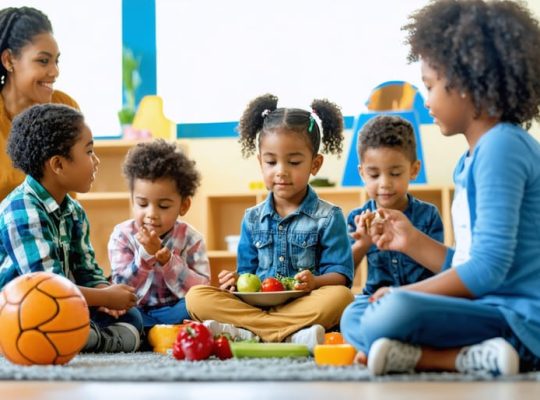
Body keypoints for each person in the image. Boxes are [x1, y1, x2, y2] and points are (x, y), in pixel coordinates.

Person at [341, 0, 540, 376]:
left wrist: (403, 294)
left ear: (468, 83)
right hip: (491, 305)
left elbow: (487, 272)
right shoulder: (472, 157)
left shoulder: (502, 147)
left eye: (430, 86)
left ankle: (434, 356)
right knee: (354, 310)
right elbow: (470, 267)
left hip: (522, 316)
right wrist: (412, 241)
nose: (426, 99)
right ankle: (467, 356)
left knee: (393, 310)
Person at [186, 93, 355, 352]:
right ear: (260, 162)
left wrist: (315, 282)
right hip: (258, 305)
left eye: (294, 162)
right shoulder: (252, 218)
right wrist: (234, 280)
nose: (281, 171)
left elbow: (341, 277)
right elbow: (247, 274)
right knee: (196, 297)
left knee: (341, 298)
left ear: (315, 164)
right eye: (271, 161)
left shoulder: (328, 216)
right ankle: (289, 335)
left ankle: (249, 333)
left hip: (304, 303)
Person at [0, 104, 143, 353]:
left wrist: (105, 291)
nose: (96, 161)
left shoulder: (73, 211)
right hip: (21, 309)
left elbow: (87, 270)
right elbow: (48, 287)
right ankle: (92, 339)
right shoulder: (21, 210)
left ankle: (87, 339)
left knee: (133, 318)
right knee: (46, 319)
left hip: (62, 303)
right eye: (89, 152)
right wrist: (107, 297)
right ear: (58, 165)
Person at [340, 114, 443, 363]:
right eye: (374, 175)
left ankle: (376, 347)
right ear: (362, 173)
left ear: (414, 170)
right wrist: (362, 244)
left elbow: (441, 268)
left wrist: (412, 241)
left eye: (395, 173)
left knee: (440, 313)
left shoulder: (428, 215)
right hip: (373, 299)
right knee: (349, 315)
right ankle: (388, 347)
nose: (384, 184)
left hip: (418, 297)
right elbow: (343, 275)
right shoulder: (357, 217)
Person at [109, 139, 210, 331]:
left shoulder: (192, 238)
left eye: (163, 206)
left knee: (203, 305)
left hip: (176, 310)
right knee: (112, 312)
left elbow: (201, 289)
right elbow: (120, 286)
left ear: (183, 206)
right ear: (132, 200)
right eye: (142, 204)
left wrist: (169, 262)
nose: (151, 214)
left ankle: (145, 334)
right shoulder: (122, 235)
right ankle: (149, 331)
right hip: (137, 311)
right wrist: (146, 255)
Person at [0, 6, 79, 201]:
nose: (55, 72)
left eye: (56, 61)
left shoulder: (65, 107)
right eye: (43, 61)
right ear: (9, 60)